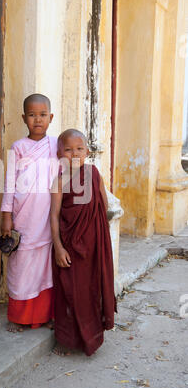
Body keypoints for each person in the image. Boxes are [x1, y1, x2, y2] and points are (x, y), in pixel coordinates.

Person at [50, 129, 117, 356]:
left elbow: (103, 205)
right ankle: (66, 339)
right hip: (69, 245)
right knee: (69, 291)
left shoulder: (94, 173)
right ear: (59, 154)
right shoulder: (59, 181)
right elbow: (54, 215)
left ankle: (92, 336)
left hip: (93, 245)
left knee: (90, 290)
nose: (74, 154)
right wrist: (58, 247)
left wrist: (100, 238)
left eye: (79, 149)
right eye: (68, 150)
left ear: (87, 152)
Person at [0, 93, 58, 333]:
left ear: (51, 117)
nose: (37, 120)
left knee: (44, 268)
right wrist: (6, 215)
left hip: (46, 218)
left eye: (42, 115)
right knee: (21, 266)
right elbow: (8, 184)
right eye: (32, 115)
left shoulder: (55, 145)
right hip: (22, 217)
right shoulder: (18, 147)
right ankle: (18, 317)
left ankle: (44, 315)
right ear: (24, 118)